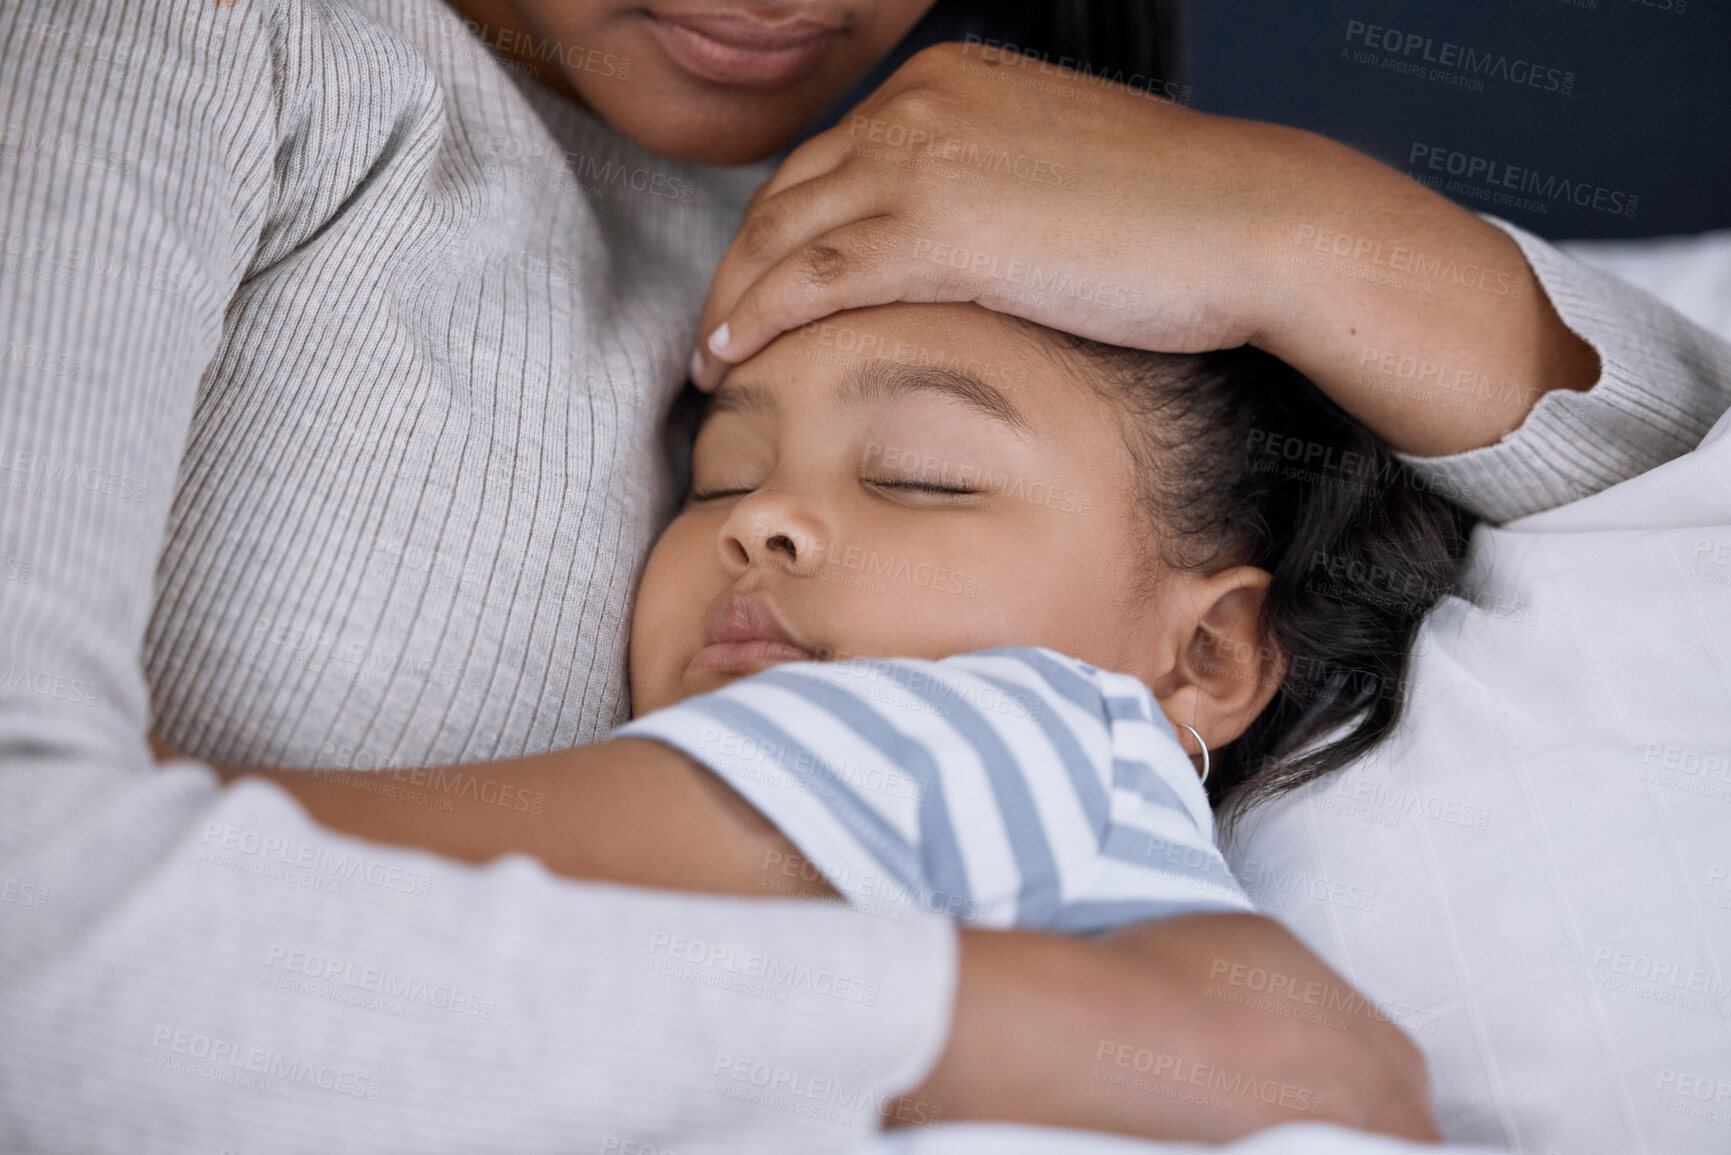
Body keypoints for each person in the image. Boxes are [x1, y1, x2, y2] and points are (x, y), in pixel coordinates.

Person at [3, 0, 1728, 1150]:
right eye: (717, 469)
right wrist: (1036, 1025)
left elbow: (1654, 509)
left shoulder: (965, 664)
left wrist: (1302, 233)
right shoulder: (187, 48)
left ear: (1212, 657)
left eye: (914, 477)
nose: (763, 521)